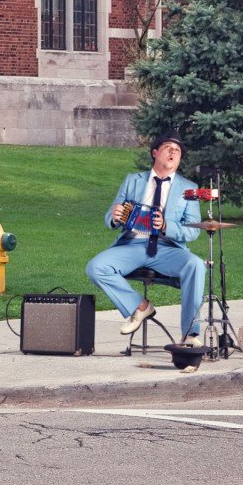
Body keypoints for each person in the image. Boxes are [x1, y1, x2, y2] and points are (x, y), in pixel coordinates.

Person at [86, 133, 205, 346]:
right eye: (168, 147)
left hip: (167, 248)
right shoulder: (133, 181)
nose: (173, 153)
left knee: (195, 264)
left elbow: (193, 230)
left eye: (177, 151)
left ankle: (190, 334)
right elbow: (109, 218)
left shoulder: (189, 188)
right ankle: (140, 307)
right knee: (96, 267)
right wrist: (114, 217)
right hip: (132, 244)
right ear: (155, 152)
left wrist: (167, 226)